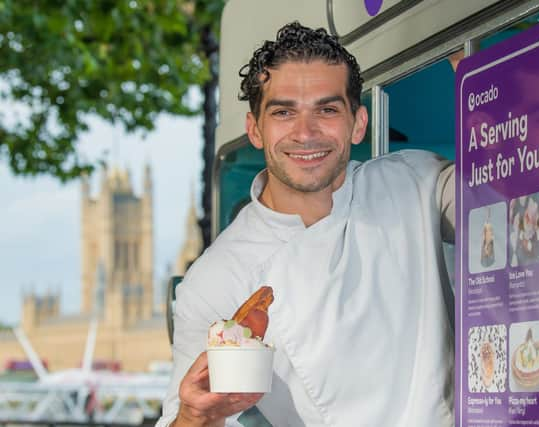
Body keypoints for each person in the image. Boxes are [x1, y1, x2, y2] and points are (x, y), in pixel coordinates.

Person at [157, 22, 455, 427]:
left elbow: (512, 193)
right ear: (255, 129)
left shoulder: (416, 180)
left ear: (358, 122)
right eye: (283, 112)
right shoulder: (217, 278)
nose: (306, 133)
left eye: (327, 110)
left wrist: (488, 83)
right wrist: (195, 414)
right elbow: (185, 417)